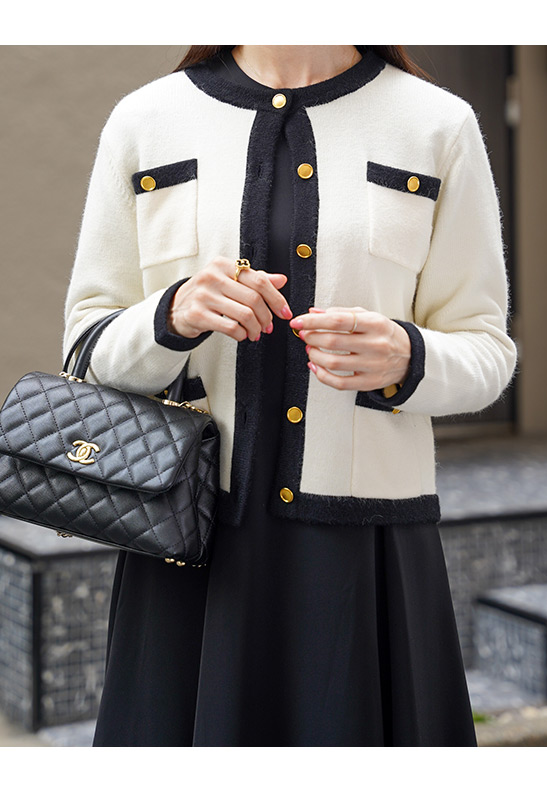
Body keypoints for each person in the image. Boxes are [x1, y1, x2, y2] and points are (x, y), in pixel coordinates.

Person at [61, 45, 516, 747]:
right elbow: (84, 353)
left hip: (365, 552)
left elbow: (488, 350)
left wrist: (408, 355)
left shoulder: (437, 124)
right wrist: (171, 315)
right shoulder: (146, 120)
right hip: (184, 542)